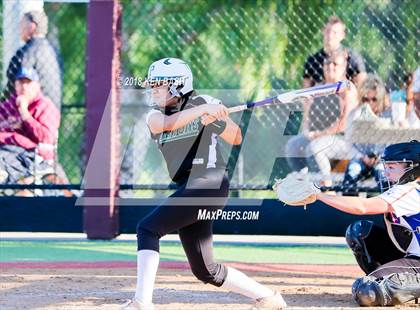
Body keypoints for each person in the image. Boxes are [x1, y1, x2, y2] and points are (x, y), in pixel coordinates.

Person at [121, 58, 286, 310]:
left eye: (159, 85)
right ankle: (268, 297)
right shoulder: (155, 115)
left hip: (210, 181)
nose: (153, 90)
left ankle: (142, 302)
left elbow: (235, 136)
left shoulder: (205, 102)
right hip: (190, 186)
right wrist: (201, 113)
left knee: (148, 229)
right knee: (205, 269)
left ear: (177, 86)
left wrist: (218, 120)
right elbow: (166, 125)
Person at [316, 140, 420, 306]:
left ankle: (389, 283)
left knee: (368, 291)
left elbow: (362, 207)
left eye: (392, 168)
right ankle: (386, 279)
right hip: (412, 257)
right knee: (360, 231)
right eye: (386, 167)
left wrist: (319, 195)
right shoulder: (411, 188)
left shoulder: (409, 190)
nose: (386, 173)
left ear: (413, 168)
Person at [286, 49, 359, 186]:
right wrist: (308, 131)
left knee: (315, 148)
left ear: (343, 68)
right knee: (293, 145)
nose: (330, 66)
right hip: (319, 136)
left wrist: (319, 134)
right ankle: (304, 186)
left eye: (335, 64)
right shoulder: (318, 88)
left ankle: (327, 190)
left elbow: (344, 124)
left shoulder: (347, 89)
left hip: (344, 139)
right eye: (327, 63)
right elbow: (307, 118)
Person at [0, 67, 60, 184]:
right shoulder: (8, 105)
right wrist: (7, 124)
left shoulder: (45, 106)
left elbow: (47, 138)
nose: (24, 87)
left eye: (28, 83)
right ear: (15, 85)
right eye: (21, 82)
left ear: (37, 86)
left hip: (30, 153)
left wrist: (25, 115)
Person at [1, 10, 62, 108]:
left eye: (22, 24)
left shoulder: (27, 51)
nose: (19, 28)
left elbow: (12, 83)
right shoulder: (51, 51)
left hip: (33, 111)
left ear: (32, 26)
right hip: (53, 110)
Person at [342, 74, 391, 192]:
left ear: (380, 99)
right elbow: (348, 144)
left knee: (385, 178)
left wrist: (380, 157)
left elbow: (392, 143)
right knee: (352, 174)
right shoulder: (354, 114)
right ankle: (350, 209)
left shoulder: (388, 115)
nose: (369, 103)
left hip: (382, 160)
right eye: (365, 99)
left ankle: (385, 209)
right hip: (359, 158)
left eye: (374, 99)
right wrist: (362, 157)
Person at [303, 15, 366, 88]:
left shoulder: (353, 58)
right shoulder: (312, 61)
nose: (330, 36)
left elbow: (362, 88)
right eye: (328, 31)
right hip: (320, 98)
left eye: (335, 32)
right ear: (323, 31)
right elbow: (306, 92)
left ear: (342, 35)